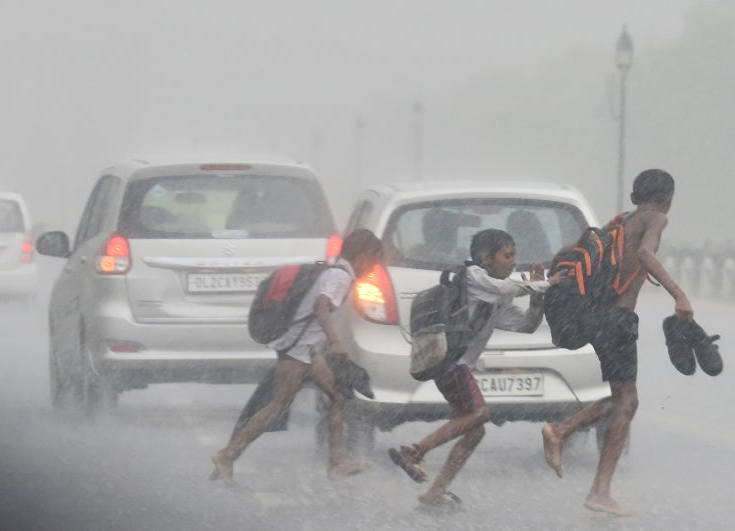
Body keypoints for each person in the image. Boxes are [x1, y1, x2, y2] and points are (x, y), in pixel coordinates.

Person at [540, 169, 694, 516]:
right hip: (617, 320)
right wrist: (679, 295)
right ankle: (595, 484)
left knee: (623, 398)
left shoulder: (624, 220)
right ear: (668, 197)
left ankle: (565, 434)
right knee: (626, 400)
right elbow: (645, 256)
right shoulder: (655, 218)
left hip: (597, 316)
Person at [388, 228, 566, 510]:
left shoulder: (494, 299)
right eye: (507, 256)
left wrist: (537, 296)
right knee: (479, 414)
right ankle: (414, 451)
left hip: (457, 365)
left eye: (514, 256)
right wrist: (546, 282)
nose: (512, 263)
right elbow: (503, 288)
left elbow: (527, 325)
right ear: (486, 259)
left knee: (475, 430)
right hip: (451, 361)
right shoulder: (473, 277)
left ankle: (435, 492)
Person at [210, 228, 384, 484]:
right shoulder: (340, 278)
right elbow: (321, 308)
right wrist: (335, 344)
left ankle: (336, 465)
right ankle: (227, 454)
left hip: (306, 350)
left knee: (338, 396)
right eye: (373, 260)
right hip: (296, 349)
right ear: (362, 254)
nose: (373, 268)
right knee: (277, 405)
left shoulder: (335, 272)